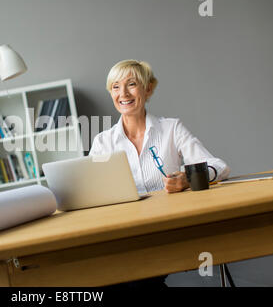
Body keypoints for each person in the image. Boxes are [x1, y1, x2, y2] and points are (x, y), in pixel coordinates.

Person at [90, 60, 230, 287]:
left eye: (131, 84)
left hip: (169, 232)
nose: (123, 93)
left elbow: (219, 167)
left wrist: (188, 179)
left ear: (149, 89)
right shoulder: (102, 143)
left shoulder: (171, 129)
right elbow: (92, 194)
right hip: (126, 237)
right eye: (115, 87)